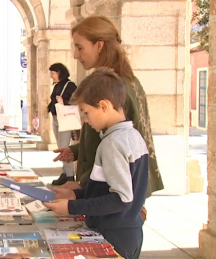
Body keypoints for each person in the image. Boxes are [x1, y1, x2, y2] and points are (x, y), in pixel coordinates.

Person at [53, 16, 164, 202]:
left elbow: (121, 146)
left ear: (99, 45)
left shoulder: (115, 86)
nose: (75, 55)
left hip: (109, 191)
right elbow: (109, 136)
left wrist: (84, 185)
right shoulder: (124, 81)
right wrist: (77, 151)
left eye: (80, 47)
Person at [44, 68, 149, 259]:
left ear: (103, 106)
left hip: (113, 234)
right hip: (128, 231)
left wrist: (71, 208)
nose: (85, 120)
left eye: (86, 113)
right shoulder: (132, 136)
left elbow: (121, 198)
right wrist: (75, 195)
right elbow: (106, 189)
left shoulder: (113, 143)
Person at [47, 63, 77, 185]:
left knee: (65, 147)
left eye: (52, 73)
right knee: (60, 146)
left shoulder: (70, 85)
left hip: (64, 119)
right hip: (56, 118)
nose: (51, 76)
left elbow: (76, 101)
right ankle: (65, 173)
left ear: (59, 72)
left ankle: (70, 176)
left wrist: (63, 102)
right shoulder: (58, 86)